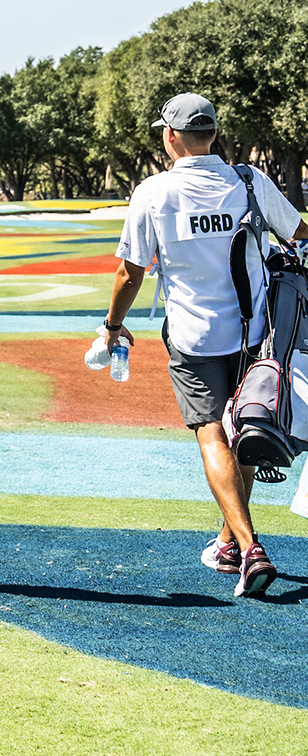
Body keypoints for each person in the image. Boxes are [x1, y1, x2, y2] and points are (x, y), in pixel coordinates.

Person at [104, 93, 308, 599]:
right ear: (213, 134)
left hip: (194, 337)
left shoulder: (153, 191)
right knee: (246, 428)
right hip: (256, 334)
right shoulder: (250, 180)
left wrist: (113, 325)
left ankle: (250, 548)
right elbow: (300, 235)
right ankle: (227, 542)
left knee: (213, 435)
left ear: (170, 136)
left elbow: (130, 273)